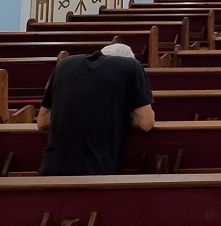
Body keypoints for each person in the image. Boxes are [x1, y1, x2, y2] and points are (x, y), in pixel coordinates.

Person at [36, 43, 155, 176]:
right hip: (96, 172)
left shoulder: (64, 64)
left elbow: (42, 121)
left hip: (52, 169)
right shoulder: (132, 66)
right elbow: (145, 122)